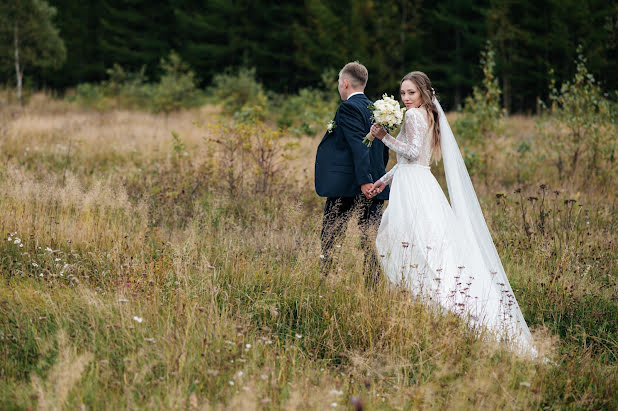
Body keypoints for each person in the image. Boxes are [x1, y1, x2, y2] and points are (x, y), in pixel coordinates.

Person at [368, 71, 536, 355]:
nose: (406, 98)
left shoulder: (413, 116)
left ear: (422, 92)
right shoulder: (426, 115)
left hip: (414, 189)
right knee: (422, 243)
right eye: (402, 93)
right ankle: (424, 300)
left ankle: (436, 300)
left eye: (411, 93)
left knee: (409, 242)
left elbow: (409, 152)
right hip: (417, 182)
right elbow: (413, 162)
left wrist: (383, 136)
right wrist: (382, 182)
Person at [315, 61, 390, 285]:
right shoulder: (377, 109)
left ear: (345, 83)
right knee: (369, 241)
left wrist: (364, 181)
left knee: (330, 235)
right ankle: (374, 287)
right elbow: (382, 149)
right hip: (376, 184)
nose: (340, 87)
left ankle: (325, 281)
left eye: (340, 83)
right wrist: (378, 178)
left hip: (350, 186)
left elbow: (359, 145)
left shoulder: (348, 107)